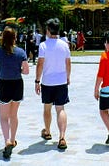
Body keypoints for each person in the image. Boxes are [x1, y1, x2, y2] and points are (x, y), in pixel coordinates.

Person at [0, 27, 29, 159]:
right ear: (15, 37)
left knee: (3, 117)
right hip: (17, 84)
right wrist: (17, 69)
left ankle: (7, 140)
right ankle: (13, 140)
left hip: (4, 84)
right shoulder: (20, 52)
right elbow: (26, 71)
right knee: (14, 115)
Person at [35, 18, 71, 150]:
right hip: (61, 80)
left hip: (48, 81)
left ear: (48, 30)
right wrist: (68, 77)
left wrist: (37, 80)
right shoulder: (64, 45)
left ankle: (48, 131)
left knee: (47, 108)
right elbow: (68, 63)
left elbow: (40, 64)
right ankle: (62, 137)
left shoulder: (43, 45)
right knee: (60, 109)